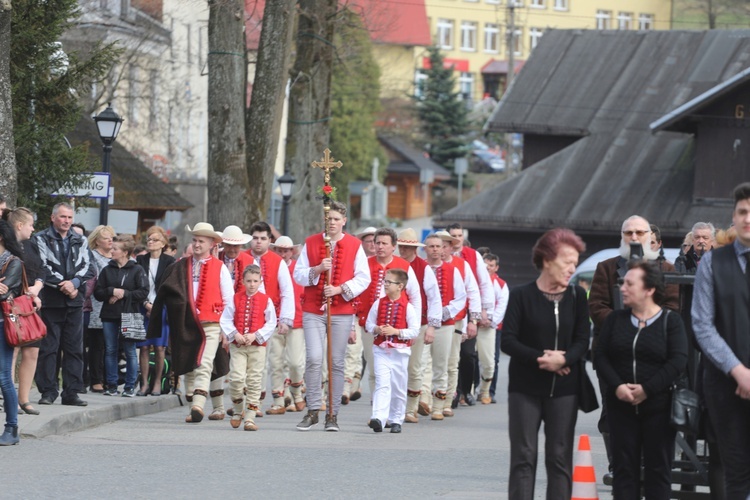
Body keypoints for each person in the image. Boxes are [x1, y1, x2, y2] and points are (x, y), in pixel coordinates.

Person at [588, 215, 680, 484]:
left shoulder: (667, 269)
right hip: (613, 356)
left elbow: (673, 309)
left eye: (640, 232)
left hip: (656, 357)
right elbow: (596, 307)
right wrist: (626, 328)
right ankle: (618, 465)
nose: (635, 237)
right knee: (612, 416)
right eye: (629, 232)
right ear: (622, 236)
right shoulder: (606, 268)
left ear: (650, 235)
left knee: (655, 417)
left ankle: (649, 467)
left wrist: (646, 328)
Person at [501, 228, 590, 500]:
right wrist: (543, 358)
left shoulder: (576, 297)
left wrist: (564, 359)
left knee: (559, 456)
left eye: (575, 262)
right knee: (523, 456)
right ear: (547, 259)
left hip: (564, 388)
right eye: (567, 261)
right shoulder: (520, 295)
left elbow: (582, 339)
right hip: (524, 387)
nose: (572, 268)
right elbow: (508, 341)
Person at [595, 261, 687, 498]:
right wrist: (617, 386)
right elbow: (600, 356)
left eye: (629, 284)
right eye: (622, 283)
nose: (622, 288)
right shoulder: (615, 320)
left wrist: (647, 389)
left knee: (658, 472)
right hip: (620, 408)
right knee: (624, 472)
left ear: (649, 290)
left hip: (659, 408)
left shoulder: (670, 321)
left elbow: (677, 361)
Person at [692, 182, 750, 499]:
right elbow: (702, 324)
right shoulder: (713, 263)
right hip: (725, 385)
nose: (747, 218)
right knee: (735, 473)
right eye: (742, 212)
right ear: (734, 216)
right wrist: (738, 371)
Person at [293, 201, 370, 432]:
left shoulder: (355, 245)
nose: (332, 222)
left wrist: (340, 289)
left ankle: (332, 414)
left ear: (344, 221)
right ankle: (313, 409)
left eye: (337, 219)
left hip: (341, 311)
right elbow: (298, 274)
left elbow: (363, 278)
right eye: (329, 219)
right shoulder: (311, 242)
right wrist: (317, 270)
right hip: (314, 310)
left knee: (336, 362)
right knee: (315, 358)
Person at [147, 222, 233, 423]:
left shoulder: (220, 268)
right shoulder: (179, 267)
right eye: (194, 240)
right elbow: (166, 292)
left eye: (201, 241)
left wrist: (227, 330)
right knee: (187, 365)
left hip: (211, 323)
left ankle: (198, 406)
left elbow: (229, 300)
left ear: (211, 244)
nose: (196, 244)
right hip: (185, 324)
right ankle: (192, 404)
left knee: (204, 363)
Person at [31, 202, 95, 406]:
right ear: (53, 218)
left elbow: (89, 267)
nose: (67, 221)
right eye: (62, 217)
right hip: (51, 301)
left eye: (69, 217)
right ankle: (48, 392)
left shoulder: (80, 240)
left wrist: (74, 284)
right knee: (49, 348)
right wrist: (63, 285)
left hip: (75, 302)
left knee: (74, 348)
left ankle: (72, 392)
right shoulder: (40, 238)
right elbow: (42, 267)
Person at [356, 228, 422, 402]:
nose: (379, 247)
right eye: (377, 243)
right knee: (374, 369)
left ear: (394, 246)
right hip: (371, 325)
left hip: (398, 326)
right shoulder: (365, 263)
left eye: (384, 243)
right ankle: (378, 410)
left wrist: (412, 328)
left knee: (396, 370)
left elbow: (415, 296)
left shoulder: (404, 266)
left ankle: (394, 408)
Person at [206, 225, 255, 419]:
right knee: (216, 359)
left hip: (244, 317)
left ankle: (239, 406)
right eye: (229, 246)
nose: (233, 250)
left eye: (237, 246)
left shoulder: (250, 262)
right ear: (222, 244)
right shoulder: (214, 260)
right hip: (218, 314)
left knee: (241, 364)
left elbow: (258, 290)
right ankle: (217, 406)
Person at [246, 221, 294, 416]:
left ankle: (277, 400)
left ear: (269, 240)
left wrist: (285, 318)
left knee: (273, 361)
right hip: (246, 319)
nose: (258, 242)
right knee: (250, 363)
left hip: (269, 319)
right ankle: (250, 402)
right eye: (255, 238)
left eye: (263, 238)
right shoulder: (243, 258)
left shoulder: (277, 261)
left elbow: (287, 291)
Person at [220, 265, 277, 431]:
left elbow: (271, 322)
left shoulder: (266, 300)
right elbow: (226, 319)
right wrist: (234, 333)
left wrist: (256, 335)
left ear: (260, 282)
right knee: (236, 378)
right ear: (243, 281)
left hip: (257, 347)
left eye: (255, 281)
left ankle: (250, 417)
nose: (252, 284)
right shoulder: (236, 298)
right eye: (249, 281)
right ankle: (238, 410)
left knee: (254, 380)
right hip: (238, 346)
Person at [418, 234, 467, 420]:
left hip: (445, 324)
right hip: (422, 322)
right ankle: (423, 400)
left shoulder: (452, 270)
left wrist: (443, 313)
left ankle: (439, 405)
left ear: (444, 248)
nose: (435, 250)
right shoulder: (420, 268)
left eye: (439, 246)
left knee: (441, 363)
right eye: (431, 246)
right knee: (421, 363)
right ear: (425, 248)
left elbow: (461, 297)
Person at [396, 228, 442, 424]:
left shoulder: (423, 268)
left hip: (419, 323)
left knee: (414, 366)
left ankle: (411, 408)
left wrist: (432, 325)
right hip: (395, 324)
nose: (404, 250)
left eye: (408, 247)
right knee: (396, 367)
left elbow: (434, 299)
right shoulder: (394, 265)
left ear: (415, 248)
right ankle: (395, 407)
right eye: (402, 246)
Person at [446, 224, 494, 408]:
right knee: (451, 354)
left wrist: (483, 311)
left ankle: (466, 389)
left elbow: (484, 284)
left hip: (468, 309)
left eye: (459, 235)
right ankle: (452, 391)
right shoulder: (442, 254)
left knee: (467, 354)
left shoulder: (473, 256)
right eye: (453, 235)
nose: (456, 238)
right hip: (449, 309)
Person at [366, 268, 420, 434]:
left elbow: (414, 330)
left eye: (390, 282)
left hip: (400, 353)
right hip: (381, 350)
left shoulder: (408, 307)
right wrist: (377, 328)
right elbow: (368, 324)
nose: (386, 284)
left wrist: (396, 332)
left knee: (398, 386)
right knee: (382, 383)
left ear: (400, 286)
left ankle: (396, 419)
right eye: (385, 281)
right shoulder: (378, 303)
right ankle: (378, 418)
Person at [94, 236, 148, 397]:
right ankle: (111, 384)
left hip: (130, 314)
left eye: (115, 249)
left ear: (125, 252)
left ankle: (130, 386)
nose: (112, 251)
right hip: (109, 314)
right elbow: (98, 292)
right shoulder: (107, 269)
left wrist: (124, 294)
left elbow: (143, 292)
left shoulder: (137, 269)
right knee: (110, 349)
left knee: (130, 350)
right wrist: (111, 291)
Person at [3, 208, 44, 416]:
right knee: (12, 350)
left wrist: (37, 288)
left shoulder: (31, 244)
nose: (33, 229)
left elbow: (41, 269)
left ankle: (24, 398)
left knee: (32, 349)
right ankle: (8, 399)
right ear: (19, 225)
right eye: (30, 224)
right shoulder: (6, 246)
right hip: (11, 305)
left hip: (28, 305)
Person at [267, 236, 307, 413]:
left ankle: (296, 391)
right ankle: (278, 400)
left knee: (295, 362)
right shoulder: (269, 266)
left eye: (286, 250)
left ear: (293, 251)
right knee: (275, 361)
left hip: (297, 319)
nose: (283, 254)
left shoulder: (299, 268)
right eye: (279, 250)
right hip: (274, 318)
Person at [135, 225, 175, 396]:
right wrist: (145, 304)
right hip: (143, 306)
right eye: (149, 239)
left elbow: (172, 288)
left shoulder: (170, 262)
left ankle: (157, 382)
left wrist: (157, 306)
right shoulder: (140, 261)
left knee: (159, 347)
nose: (151, 242)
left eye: (155, 240)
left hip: (162, 308)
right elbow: (135, 284)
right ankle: (144, 383)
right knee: (144, 347)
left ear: (163, 243)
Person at [341, 226, 377, 404]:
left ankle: (359, 384)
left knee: (371, 355)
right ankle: (347, 388)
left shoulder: (384, 263)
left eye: (375, 241)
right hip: (357, 311)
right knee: (352, 350)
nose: (372, 244)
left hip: (377, 315)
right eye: (368, 241)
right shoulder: (356, 261)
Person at [83, 225, 116, 394]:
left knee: (111, 345)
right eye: (105, 237)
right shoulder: (93, 257)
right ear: (96, 241)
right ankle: (95, 379)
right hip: (97, 305)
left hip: (116, 305)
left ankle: (110, 378)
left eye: (112, 237)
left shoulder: (117, 256)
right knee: (97, 344)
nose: (110, 240)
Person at [0, 220, 25, 445]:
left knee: (3, 376)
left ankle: (12, 427)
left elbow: (3, 295)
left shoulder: (13, 263)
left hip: (2, 324)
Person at [481, 253, 509, 405]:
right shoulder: (477, 281)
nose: (488, 268)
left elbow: (502, 306)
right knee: (472, 358)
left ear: (496, 267)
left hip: (494, 327)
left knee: (494, 360)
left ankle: (489, 391)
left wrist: (491, 321)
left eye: (491, 265)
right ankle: (471, 389)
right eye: (486, 265)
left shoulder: (501, 284)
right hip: (476, 323)